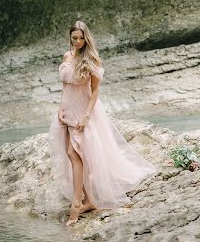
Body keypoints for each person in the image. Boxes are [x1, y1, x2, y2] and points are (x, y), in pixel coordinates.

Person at [48, 21, 155, 226]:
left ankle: (76, 204)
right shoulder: (67, 56)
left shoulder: (92, 60)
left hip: (84, 111)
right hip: (68, 110)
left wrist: (87, 116)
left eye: (81, 38)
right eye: (74, 38)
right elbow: (65, 85)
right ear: (70, 38)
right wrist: (60, 108)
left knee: (74, 154)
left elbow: (95, 91)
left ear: (86, 38)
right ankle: (89, 201)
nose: (77, 42)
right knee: (74, 154)